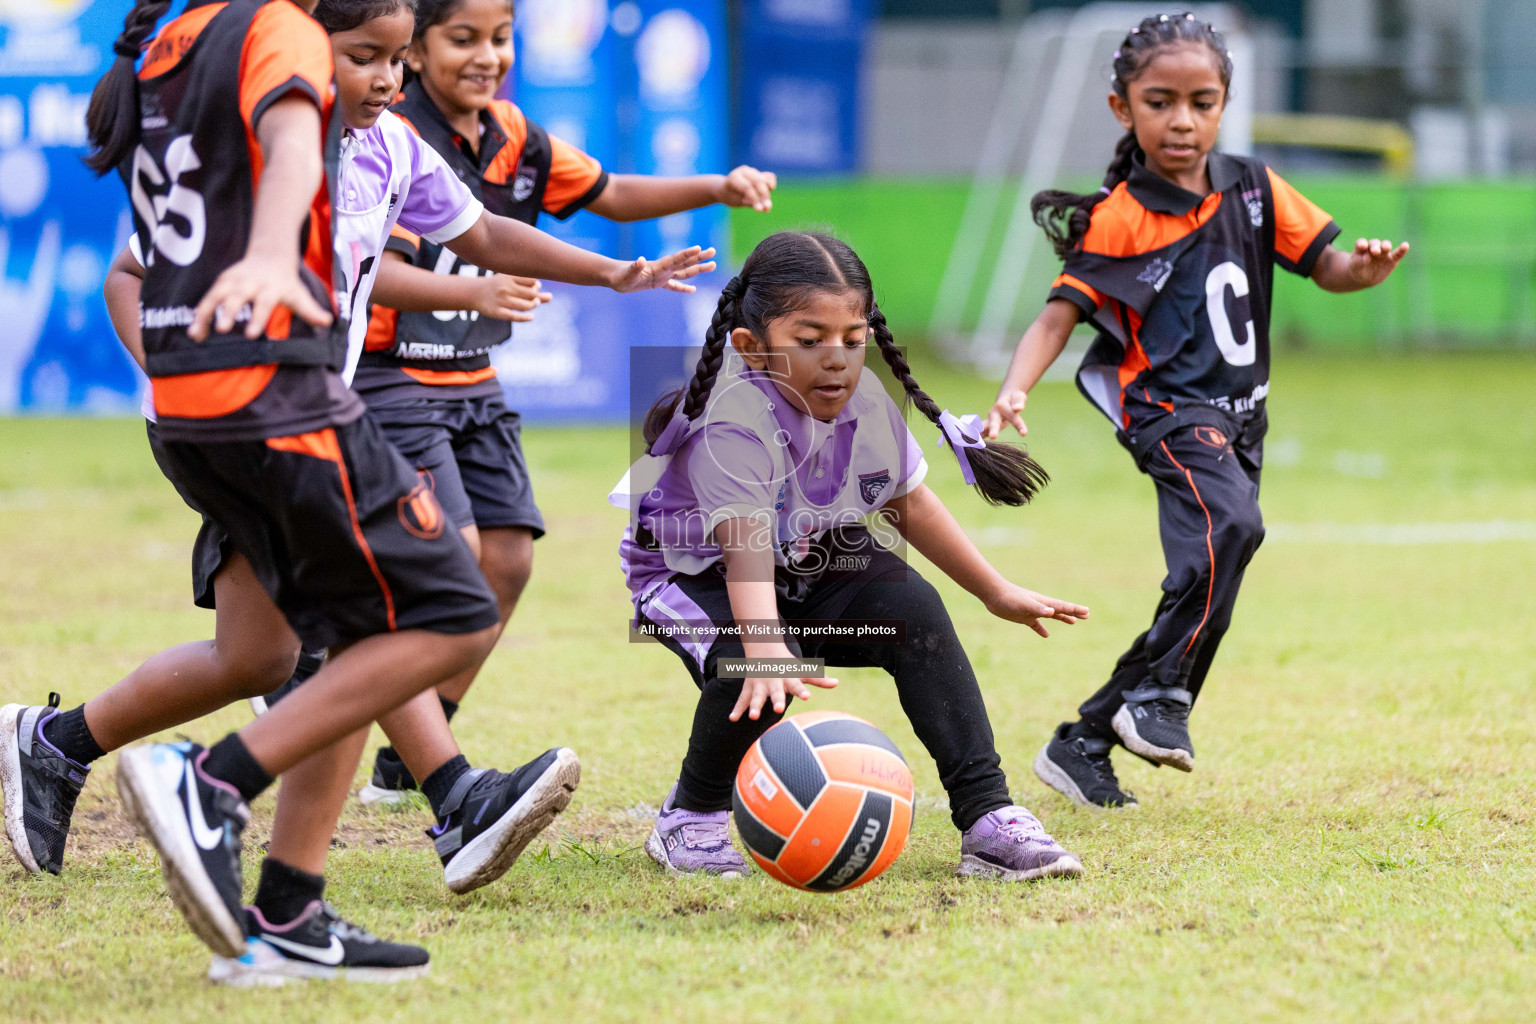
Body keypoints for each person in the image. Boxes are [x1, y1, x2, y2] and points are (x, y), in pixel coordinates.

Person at [0, 0, 710, 982]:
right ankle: (224, 785)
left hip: (231, 412)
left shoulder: (232, 65)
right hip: (279, 400)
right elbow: (280, 157)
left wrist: (614, 274)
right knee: (447, 607)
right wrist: (258, 263)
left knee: (279, 648)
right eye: (366, 57)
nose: (381, 78)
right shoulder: (270, 48)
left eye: (389, 59)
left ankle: (251, 876)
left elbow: (488, 234)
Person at [347, 0, 778, 805]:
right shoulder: (388, 136)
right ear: (413, 50)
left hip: (473, 377)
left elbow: (609, 194)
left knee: (507, 561)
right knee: (452, 565)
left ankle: (414, 741)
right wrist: (470, 285)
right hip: (392, 378)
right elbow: (373, 269)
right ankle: (390, 722)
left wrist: (714, 184)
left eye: (502, 39)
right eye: (462, 39)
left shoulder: (514, 136)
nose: (486, 56)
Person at [984, 13, 1409, 809]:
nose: (1182, 119)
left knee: (1208, 583)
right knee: (1234, 531)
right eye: (1160, 101)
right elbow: (1057, 318)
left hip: (1242, 420)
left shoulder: (1254, 187)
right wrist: (1016, 387)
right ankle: (1161, 700)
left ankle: (1085, 742)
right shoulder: (1120, 217)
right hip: (1170, 413)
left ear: (1223, 105)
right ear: (1124, 109)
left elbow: (1331, 267)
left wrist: (1366, 269)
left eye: (1201, 101)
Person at [612, 230, 1091, 882]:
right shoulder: (734, 419)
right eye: (810, 341)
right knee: (754, 661)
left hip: (807, 553)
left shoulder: (865, 405)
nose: (836, 358)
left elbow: (910, 506)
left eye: (852, 337)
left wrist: (993, 590)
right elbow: (745, 550)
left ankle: (988, 819)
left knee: (913, 609)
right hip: (688, 573)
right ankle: (688, 819)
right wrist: (766, 645)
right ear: (752, 349)